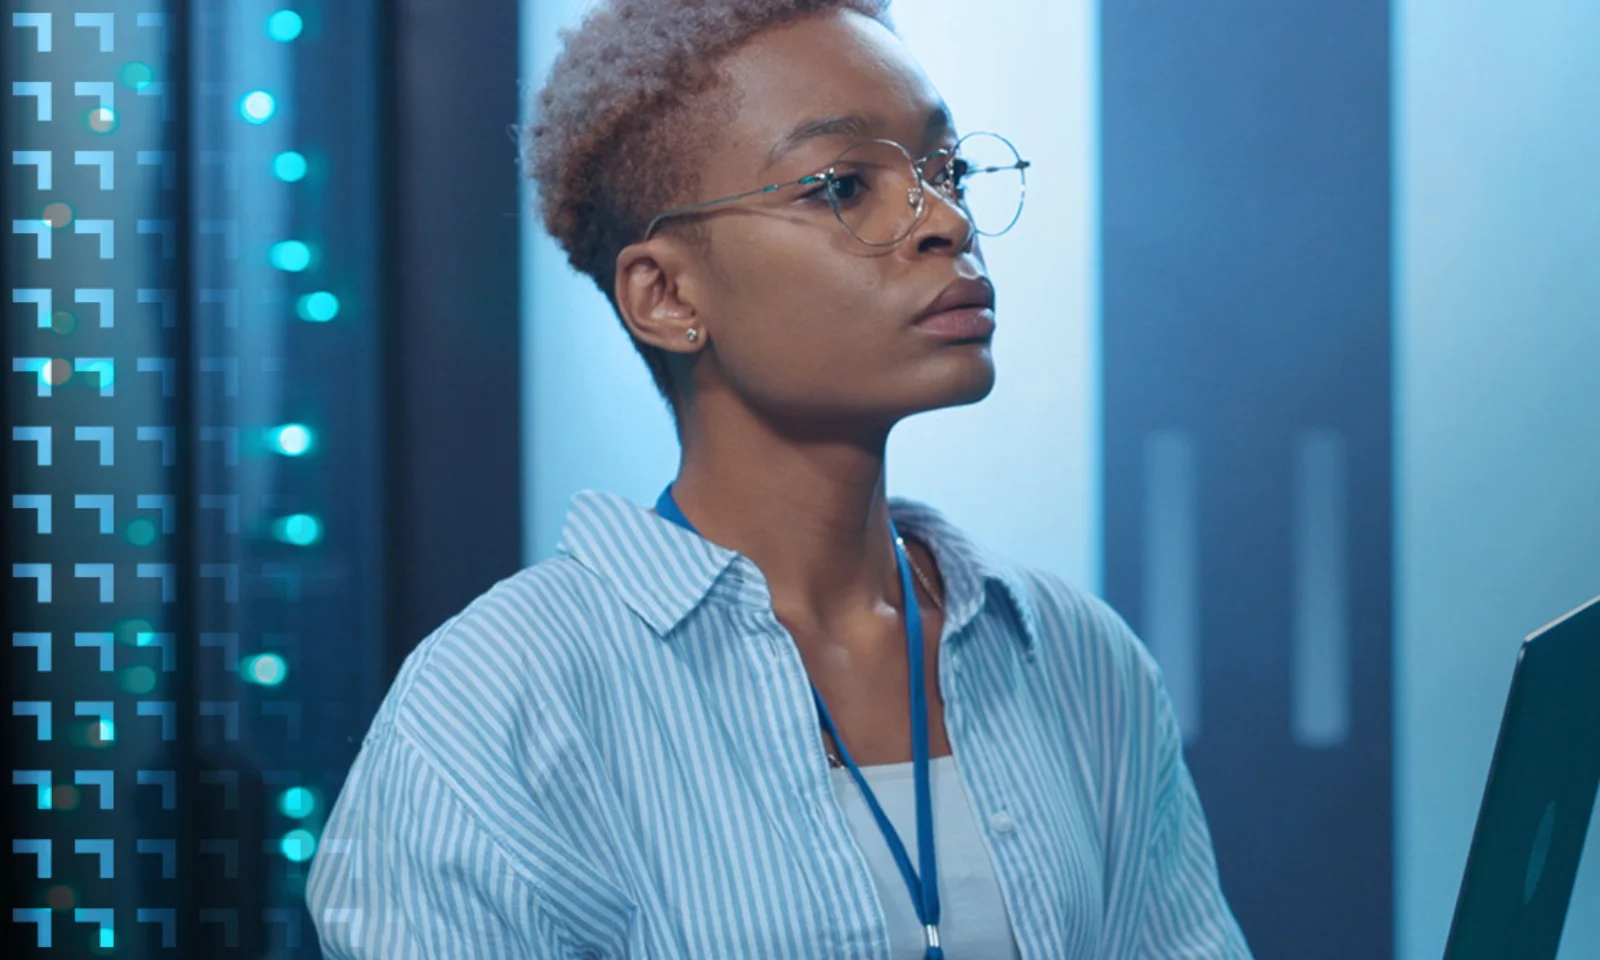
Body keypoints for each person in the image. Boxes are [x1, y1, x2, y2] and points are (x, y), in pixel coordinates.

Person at [307, 1, 1252, 957]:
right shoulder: (504, 701)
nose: (950, 221)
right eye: (843, 186)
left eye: (946, 169)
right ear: (667, 295)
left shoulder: (1075, 658)